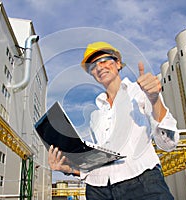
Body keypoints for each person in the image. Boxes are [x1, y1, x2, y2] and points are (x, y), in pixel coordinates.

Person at [48, 41, 179, 200]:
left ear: (118, 63)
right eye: (93, 66)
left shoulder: (140, 93)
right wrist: (69, 169)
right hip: (98, 190)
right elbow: (101, 162)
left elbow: (168, 143)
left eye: (103, 61)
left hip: (142, 184)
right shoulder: (96, 116)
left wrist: (154, 98)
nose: (99, 67)